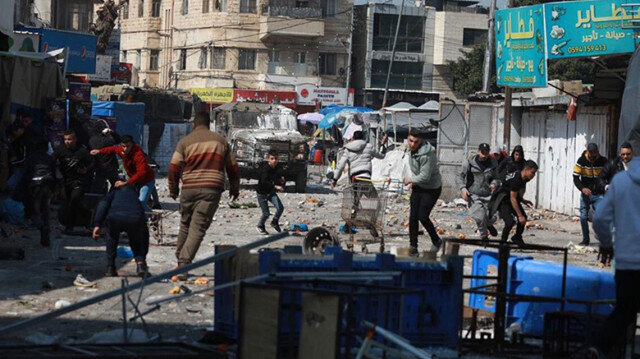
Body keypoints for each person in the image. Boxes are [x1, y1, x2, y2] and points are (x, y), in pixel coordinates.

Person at [169, 111, 240, 280]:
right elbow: (233, 167)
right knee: (198, 227)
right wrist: (234, 189)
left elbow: (173, 167)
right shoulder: (220, 141)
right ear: (209, 124)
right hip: (211, 190)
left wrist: (173, 190)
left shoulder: (185, 142)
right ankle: (184, 264)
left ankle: (180, 260)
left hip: (189, 189)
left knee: (185, 224)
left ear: (194, 125)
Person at [593, 156, 640, 357]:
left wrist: (606, 243)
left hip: (626, 260)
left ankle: (600, 347)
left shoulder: (620, 181)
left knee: (624, 310)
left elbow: (600, 217)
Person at [92, 184, 150, 277]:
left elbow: (102, 205)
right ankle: (140, 264)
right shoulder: (134, 193)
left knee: (111, 237)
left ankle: (110, 267)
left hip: (115, 218)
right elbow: (140, 210)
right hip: (135, 219)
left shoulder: (113, 193)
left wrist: (97, 225)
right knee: (138, 239)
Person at [90, 135, 155, 213]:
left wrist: (125, 183)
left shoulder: (138, 155)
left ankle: (148, 218)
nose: (125, 149)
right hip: (135, 181)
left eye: (128, 146)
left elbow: (141, 173)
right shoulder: (122, 150)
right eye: (123, 146)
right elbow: (112, 149)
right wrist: (99, 151)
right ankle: (152, 215)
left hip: (146, 181)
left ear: (132, 145)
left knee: (141, 202)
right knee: (134, 203)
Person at [403, 129, 442, 256]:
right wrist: (414, 181)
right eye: (410, 141)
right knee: (413, 216)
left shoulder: (427, 154)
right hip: (419, 186)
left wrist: (410, 180)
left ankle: (436, 240)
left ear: (421, 141)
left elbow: (425, 176)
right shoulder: (411, 150)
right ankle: (413, 246)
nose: (413, 144)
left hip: (431, 188)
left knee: (423, 216)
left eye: (416, 142)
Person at [19, 139, 61, 247]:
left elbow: (25, 174)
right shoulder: (50, 158)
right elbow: (55, 173)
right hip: (48, 183)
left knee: (33, 210)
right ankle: (46, 227)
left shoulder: (30, 158)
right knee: (46, 207)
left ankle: (41, 227)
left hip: (34, 185)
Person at [456, 143, 500, 241]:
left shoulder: (493, 163)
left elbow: (497, 178)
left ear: (489, 152)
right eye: (482, 152)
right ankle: (484, 236)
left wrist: (494, 184)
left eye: (486, 152)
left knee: (492, 217)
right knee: (480, 216)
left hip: (488, 194)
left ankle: (489, 224)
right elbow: (459, 176)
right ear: (478, 151)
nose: (484, 154)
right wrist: (463, 188)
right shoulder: (469, 162)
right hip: (473, 194)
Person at [489, 160, 538, 246]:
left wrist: (523, 200)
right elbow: (513, 198)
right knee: (510, 222)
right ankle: (503, 242)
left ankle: (517, 237)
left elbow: (515, 192)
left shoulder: (523, 177)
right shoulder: (517, 179)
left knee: (523, 218)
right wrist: (519, 215)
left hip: (510, 197)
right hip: (503, 200)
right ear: (526, 169)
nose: (533, 175)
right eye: (532, 173)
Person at [54, 130, 93, 234]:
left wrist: (86, 169)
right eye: (65, 139)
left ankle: (70, 226)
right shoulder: (60, 150)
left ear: (75, 139)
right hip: (65, 181)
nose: (67, 141)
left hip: (78, 181)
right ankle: (87, 216)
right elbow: (54, 164)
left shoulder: (82, 151)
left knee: (74, 200)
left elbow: (91, 163)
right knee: (70, 203)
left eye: (69, 139)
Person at [573, 143, 608, 246]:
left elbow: (609, 174)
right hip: (586, 194)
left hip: (599, 194)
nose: (592, 154)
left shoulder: (603, 161)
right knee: (583, 217)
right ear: (587, 151)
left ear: (597, 151)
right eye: (590, 152)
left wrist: (606, 186)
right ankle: (585, 239)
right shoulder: (581, 161)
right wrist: (582, 188)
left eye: (594, 152)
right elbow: (575, 178)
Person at [256, 150, 285, 235]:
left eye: (276, 159)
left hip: (271, 192)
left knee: (280, 208)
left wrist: (281, 179)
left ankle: (274, 222)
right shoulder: (265, 169)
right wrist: (276, 186)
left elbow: (279, 175)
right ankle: (260, 225)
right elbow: (264, 182)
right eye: (272, 159)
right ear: (268, 159)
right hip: (262, 193)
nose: (274, 161)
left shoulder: (277, 167)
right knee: (266, 213)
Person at [89, 121, 121, 192]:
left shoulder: (92, 140)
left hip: (99, 167)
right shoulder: (107, 139)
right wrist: (111, 132)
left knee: (97, 188)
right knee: (116, 186)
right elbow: (118, 140)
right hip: (111, 166)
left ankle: (94, 201)